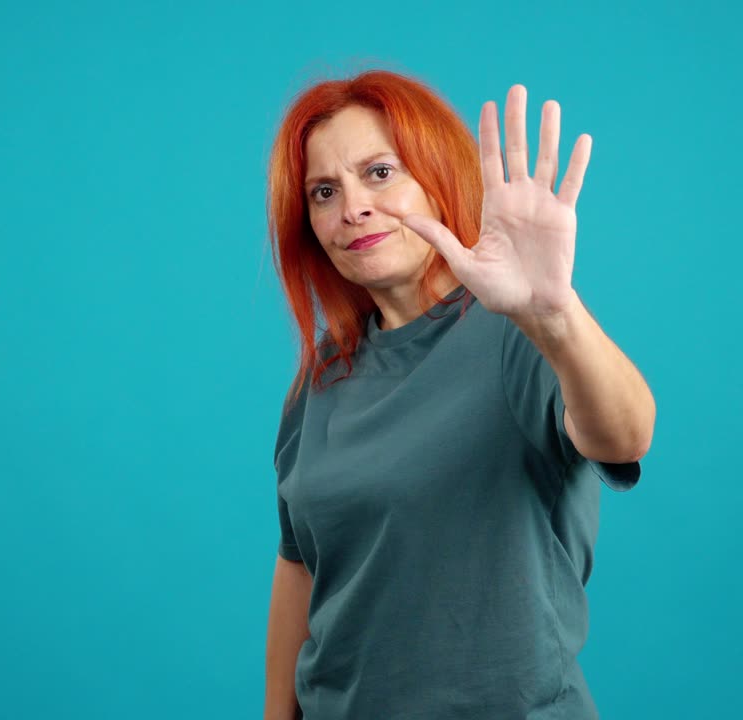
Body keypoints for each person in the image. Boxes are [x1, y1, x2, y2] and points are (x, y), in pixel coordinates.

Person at [262, 69, 656, 720]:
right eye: (324, 191)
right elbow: (301, 566)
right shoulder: (321, 380)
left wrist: (555, 315)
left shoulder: (518, 335)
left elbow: (626, 434)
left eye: (380, 172)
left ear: (435, 174)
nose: (353, 206)